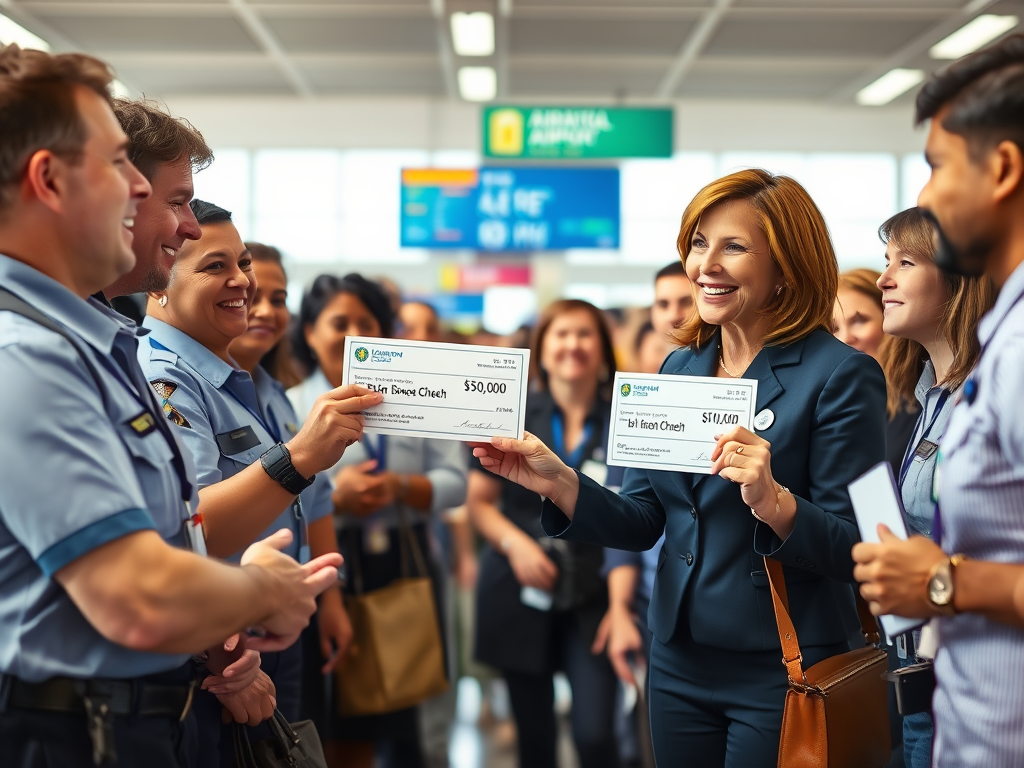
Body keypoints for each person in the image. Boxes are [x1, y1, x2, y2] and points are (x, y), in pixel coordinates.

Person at [470, 169, 887, 767]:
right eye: (698, 243)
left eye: (733, 246)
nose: (704, 265)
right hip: (677, 656)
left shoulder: (840, 374)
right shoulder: (680, 367)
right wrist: (558, 481)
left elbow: (856, 548)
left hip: (781, 663)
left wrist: (776, 503)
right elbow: (644, 518)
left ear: (787, 267)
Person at [0, 44, 341, 768]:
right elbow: (134, 593)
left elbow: (160, 540)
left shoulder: (93, 342)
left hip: (137, 713)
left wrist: (217, 643)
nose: (138, 190)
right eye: (117, 165)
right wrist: (257, 592)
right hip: (68, 731)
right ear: (49, 181)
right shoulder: (25, 354)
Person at [138, 202, 379, 763]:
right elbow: (192, 529)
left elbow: (310, 502)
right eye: (215, 266)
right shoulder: (163, 378)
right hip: (217, 646)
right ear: (159, 279)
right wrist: (299, 457)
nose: (243, 282)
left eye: (243, 263)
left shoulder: (242, 380)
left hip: (269, 629)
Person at [853, 33, 1024, 768]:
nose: (925, 195)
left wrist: (941, 580)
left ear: (1003, 169)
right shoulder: (994, 347)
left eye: (937, 166)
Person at [288, 274, 467, 768]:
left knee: (401, 715)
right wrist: (336, 498)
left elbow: (457, 484)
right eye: (338, 322)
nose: (353, 334)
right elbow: (278, 494)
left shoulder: (415, 401)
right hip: (327, 570)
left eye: (366, 323)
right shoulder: (292, 405)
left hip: (404, 565)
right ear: (310, 332)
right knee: (336, 721)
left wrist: (401, 487)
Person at [467, 299, 622, 768]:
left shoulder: (625, 420)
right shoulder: (511, 415)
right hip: (520, 584)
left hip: (596, 591)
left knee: (595, 735)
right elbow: (479, 503)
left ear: (603, 348)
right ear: (542, 347)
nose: (572, 344)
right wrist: (515, 546)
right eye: (561, 334)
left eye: (584, 334)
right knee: (535, 741)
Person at [874, 207, 992, 767]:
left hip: (974, 672)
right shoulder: (929, 395)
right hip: (921, 665)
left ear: (957, 280)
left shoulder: (989, 396)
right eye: (886, 261)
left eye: (906, 262)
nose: (884, 279)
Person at [226, 241, 354, 730]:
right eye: (250, 295)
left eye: (278, 299)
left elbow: (315, 501)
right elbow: (191, 524)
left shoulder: (272, 392)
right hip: (232, 627)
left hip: (289, 620)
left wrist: (330, 601)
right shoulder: (177, 385)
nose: (264, 310)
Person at [833, 269, 918, 476]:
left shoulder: (921, 398)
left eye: (859, 320)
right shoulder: (838, 409)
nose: (846, 338)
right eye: (834, 328)